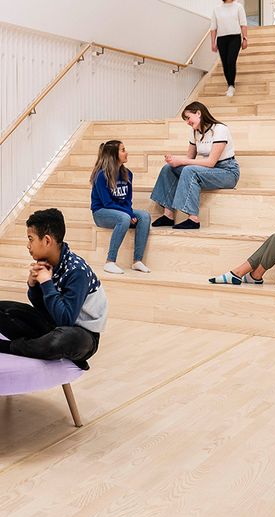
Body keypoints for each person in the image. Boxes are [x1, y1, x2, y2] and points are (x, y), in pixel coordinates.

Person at [0, 208, 107, 370]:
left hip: (82, 335)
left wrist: (47, 283)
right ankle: (39, 346)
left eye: (31, 239)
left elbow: (65, 320)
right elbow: (42, 308)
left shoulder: (76, 271)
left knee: (60, 340)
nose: (28, 246)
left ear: (47, 240)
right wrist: (33, 286)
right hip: (52, 325)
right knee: (3, 309)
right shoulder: (47, 262)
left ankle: (10, 347)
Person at [150, 101, 239, 229]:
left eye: (188, 118)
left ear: (198, 113)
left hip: (227, 171)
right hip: (208, 171)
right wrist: (174, 161)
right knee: (169, 168)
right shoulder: (194, 132)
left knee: (189, 170)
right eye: (185, 120)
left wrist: (181, 161)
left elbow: (210, 162)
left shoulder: (220, 129)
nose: (187, 122)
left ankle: (193, 219)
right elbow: (189, 158)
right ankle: (168, 215)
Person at [90, 139, 151, 274]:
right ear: (113, 154)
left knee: (145, 216)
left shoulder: (127, 173)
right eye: (123, 150)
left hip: (121, 211)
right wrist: (129, 214)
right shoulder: (101, 175)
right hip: (101, 212)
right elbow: (107, 203)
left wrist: (131, 212)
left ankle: (137, 261)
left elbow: (128, 200)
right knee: (123, 218)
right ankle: (110, 261)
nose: (126, 152)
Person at [210, 0, 248, 97]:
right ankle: (229, 85)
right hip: (221, 39)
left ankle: (231, 86)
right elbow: (213, 27)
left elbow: (243, 24)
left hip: (235, 38)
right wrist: (213, 43)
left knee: (231, 61)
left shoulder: (238, 7)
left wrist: (245, 38)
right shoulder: (217, 9)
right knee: (225, 63)